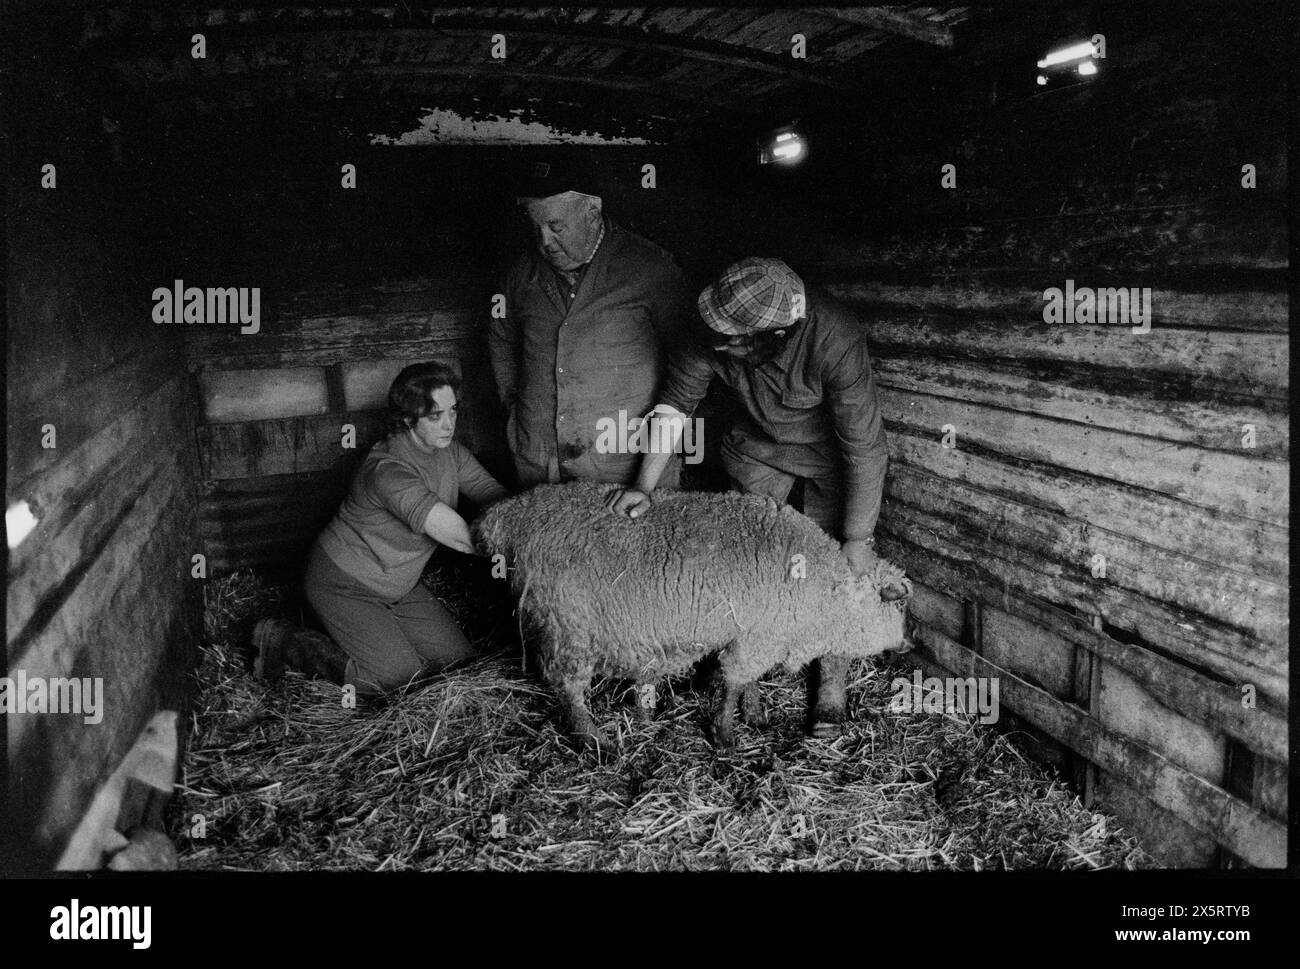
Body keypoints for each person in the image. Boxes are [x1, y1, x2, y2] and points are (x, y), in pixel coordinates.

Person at [605, 257, 905, 737]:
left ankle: (831, 684)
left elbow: (865, 446)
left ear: (776, 335)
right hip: (754, 453)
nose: (719, 343)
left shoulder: (834, 337)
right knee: (752, 566)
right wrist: (643, 485)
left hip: (829, 462)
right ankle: (744, 677)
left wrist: (858, 537)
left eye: (734, 339)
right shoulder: (706, 331)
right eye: (716, 334)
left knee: (834, 574)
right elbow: (675, 407)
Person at [252, 361, 510, 698]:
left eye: (453, 410)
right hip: (345, 583)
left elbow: (496, 497)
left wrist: (534, 515)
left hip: (400, 585)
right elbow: (462, 537)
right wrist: (522, 543)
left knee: (459, 665)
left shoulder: (451, 453)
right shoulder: (388, 471)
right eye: (435, 416)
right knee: (398, 683)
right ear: (407, 419)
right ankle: (286, 641)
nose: (450, 424)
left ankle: (370, 636)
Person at [488, 155, 694, 488]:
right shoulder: (519, 274)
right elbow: (501, 338)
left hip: (623, 460)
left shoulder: (651, 269)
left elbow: (687, 362)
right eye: (535, 227)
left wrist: (668, 440)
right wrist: (516, 404)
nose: (544, 241)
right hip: (541, 456)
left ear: (592, 213)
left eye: (556, 227)